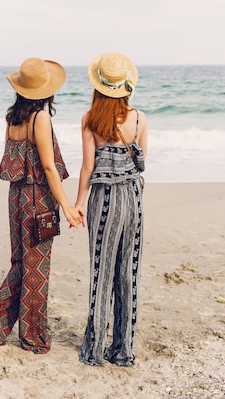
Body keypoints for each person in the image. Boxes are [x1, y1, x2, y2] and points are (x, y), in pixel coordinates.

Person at [0, 57, 83, 354]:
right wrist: (68, 206)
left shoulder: (13, 119)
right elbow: (48, 168)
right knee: (36, 271)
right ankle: (30, 336)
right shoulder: (40, 118)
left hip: (16, 199)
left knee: (20, 264)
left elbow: (13, 162)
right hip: (38, 201)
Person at [75, 52, 148, 367]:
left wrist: (78, 204)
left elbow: (87, 168)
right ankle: (122, 349)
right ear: (126, 86)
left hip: (103, 200)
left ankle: (94, 348)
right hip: (132, 199)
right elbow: (143, 164)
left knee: (101, 273)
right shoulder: (140, 119)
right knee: (127, 272)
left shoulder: (90, 119)